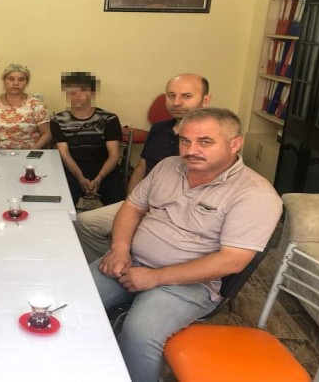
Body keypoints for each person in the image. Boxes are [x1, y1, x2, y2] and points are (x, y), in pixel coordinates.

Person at [90, 108, 282, 382]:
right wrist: (119, 248)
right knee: (69, 298)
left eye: (205, 142)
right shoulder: (168, 166)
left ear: (235, 144)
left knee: (139, 333)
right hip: (131, 261)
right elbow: (132, 207)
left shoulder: (256, 194)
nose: (191, 150)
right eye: (185, 141)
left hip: (189, 284)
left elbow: (232, 260)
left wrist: (156, 277)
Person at [75, 73, 211, 263]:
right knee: (84, 223)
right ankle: (113, 261)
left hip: (175, 214)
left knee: (142, 242)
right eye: (171, 95)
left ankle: (131, 262)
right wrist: (130, 205)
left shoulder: (209, 139)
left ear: (205, 100)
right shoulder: (158, 129)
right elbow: (141, 168)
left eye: (186, 96)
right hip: (144, 202)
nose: (177, 102)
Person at [50, 72, 125, 206]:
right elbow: (64, 153)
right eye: (73, 91)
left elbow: (113, 155)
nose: (78, 96)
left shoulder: (109, 118)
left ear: (92, 93)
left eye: (83, 91)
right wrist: (80, 177)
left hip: (104, 168)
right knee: (62, 203)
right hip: (72, 168)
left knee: (118, 205)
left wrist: (99, 178)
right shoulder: (58, 120)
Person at [0, 63, 51, 150]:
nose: (16, 83)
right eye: (11, 79)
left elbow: (46, 133)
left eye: (21, 80)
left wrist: (31, 152)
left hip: (29, 153)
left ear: (26, 82)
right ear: (4, 81)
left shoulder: (36, 104)